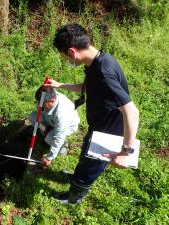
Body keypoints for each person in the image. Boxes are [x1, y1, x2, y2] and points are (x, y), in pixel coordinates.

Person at [46, 23, 139, 204]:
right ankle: (77, 177)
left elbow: (131, 111)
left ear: (72, 52)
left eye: (65, 57)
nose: (66, 61)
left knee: (91, 164)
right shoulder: (97, 61)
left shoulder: (103, 72)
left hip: (108, 131)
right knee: (85, 155)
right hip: (98, 124)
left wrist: (126, 151)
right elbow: (89, 87)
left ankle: (74, 197)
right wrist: (60, 85)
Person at [28, 86, 80, 167]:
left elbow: (59, 137)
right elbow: (40, 110)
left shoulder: (62, 115)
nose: (40, 105)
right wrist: (42, 126)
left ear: (51, 101)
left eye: (42, 104)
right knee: (32, 116)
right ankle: (45, 129)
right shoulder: (50, 96)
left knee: (49, 138)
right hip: (50, 119)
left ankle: (63, 147)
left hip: (66, 127)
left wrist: (49, 158)